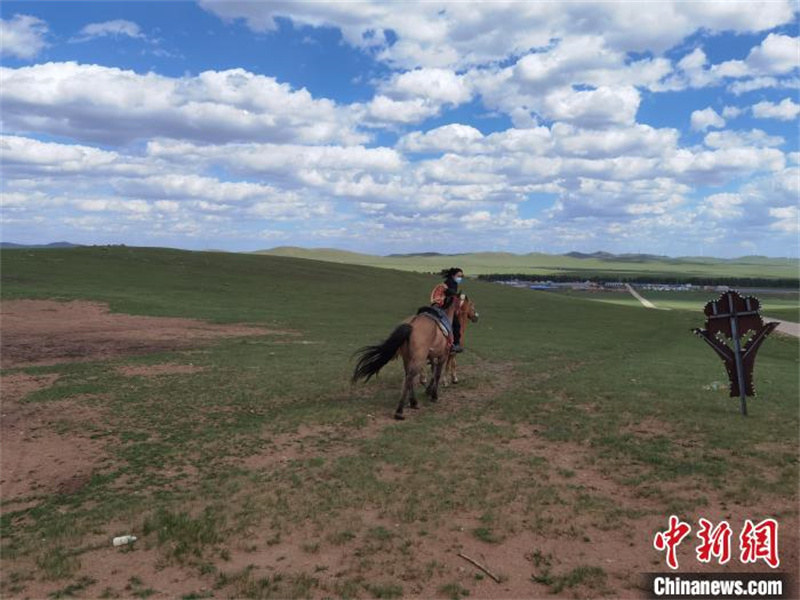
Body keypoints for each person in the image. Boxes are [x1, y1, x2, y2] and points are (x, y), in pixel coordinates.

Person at [440, 267, 464, 353]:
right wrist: (456, 294)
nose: (460, 278)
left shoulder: (449, 282)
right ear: (453, 275)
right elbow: (447, 292)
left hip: (441, 305)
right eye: (459, 276)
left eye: (461, 276)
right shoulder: (451, 282)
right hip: (446, 306)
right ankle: (455, 344)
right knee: (456, 325)